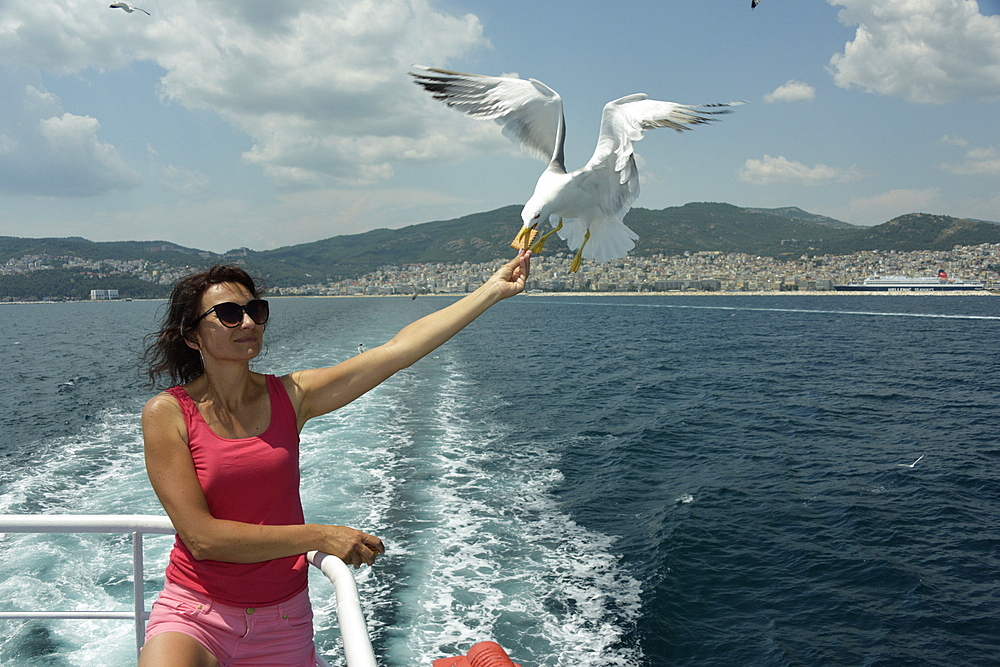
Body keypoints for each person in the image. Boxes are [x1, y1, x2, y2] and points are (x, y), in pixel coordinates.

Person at [138, 251, 530, 666]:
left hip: (283, 620)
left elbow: (397, 351)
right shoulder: (167, 414)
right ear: (192, 336)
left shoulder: (292, 397)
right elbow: (202, 539)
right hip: (195, 615)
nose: (249, 322)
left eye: (255, 310)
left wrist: (492, 291)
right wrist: (320, 536)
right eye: (229, 314)